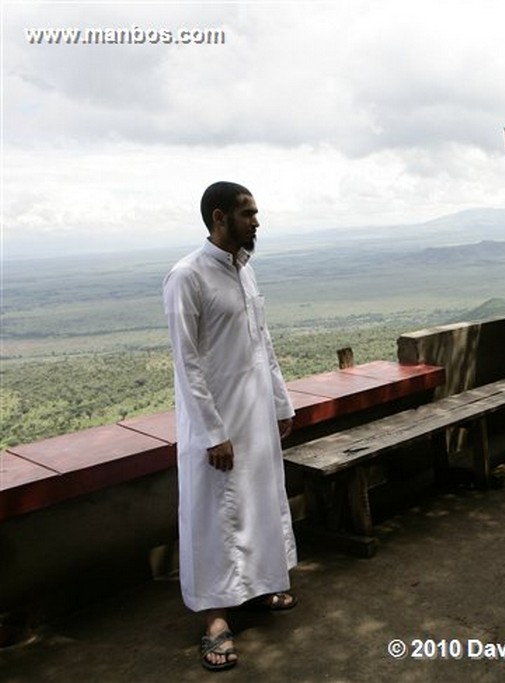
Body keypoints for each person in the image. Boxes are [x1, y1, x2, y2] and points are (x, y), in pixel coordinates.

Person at [163, 181, 298, 672]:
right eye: (248, 213)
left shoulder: (245, 271)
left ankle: (260, 588)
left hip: (256, 414)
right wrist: (210, 432)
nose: (257, 221)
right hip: (217, 424)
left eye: (257, 212)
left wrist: (281, 404)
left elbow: (263, 342)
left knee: (259, 503)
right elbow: (188, 363)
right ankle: (215, 620)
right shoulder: (187, 277)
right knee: (215, 517)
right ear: (219, 218)